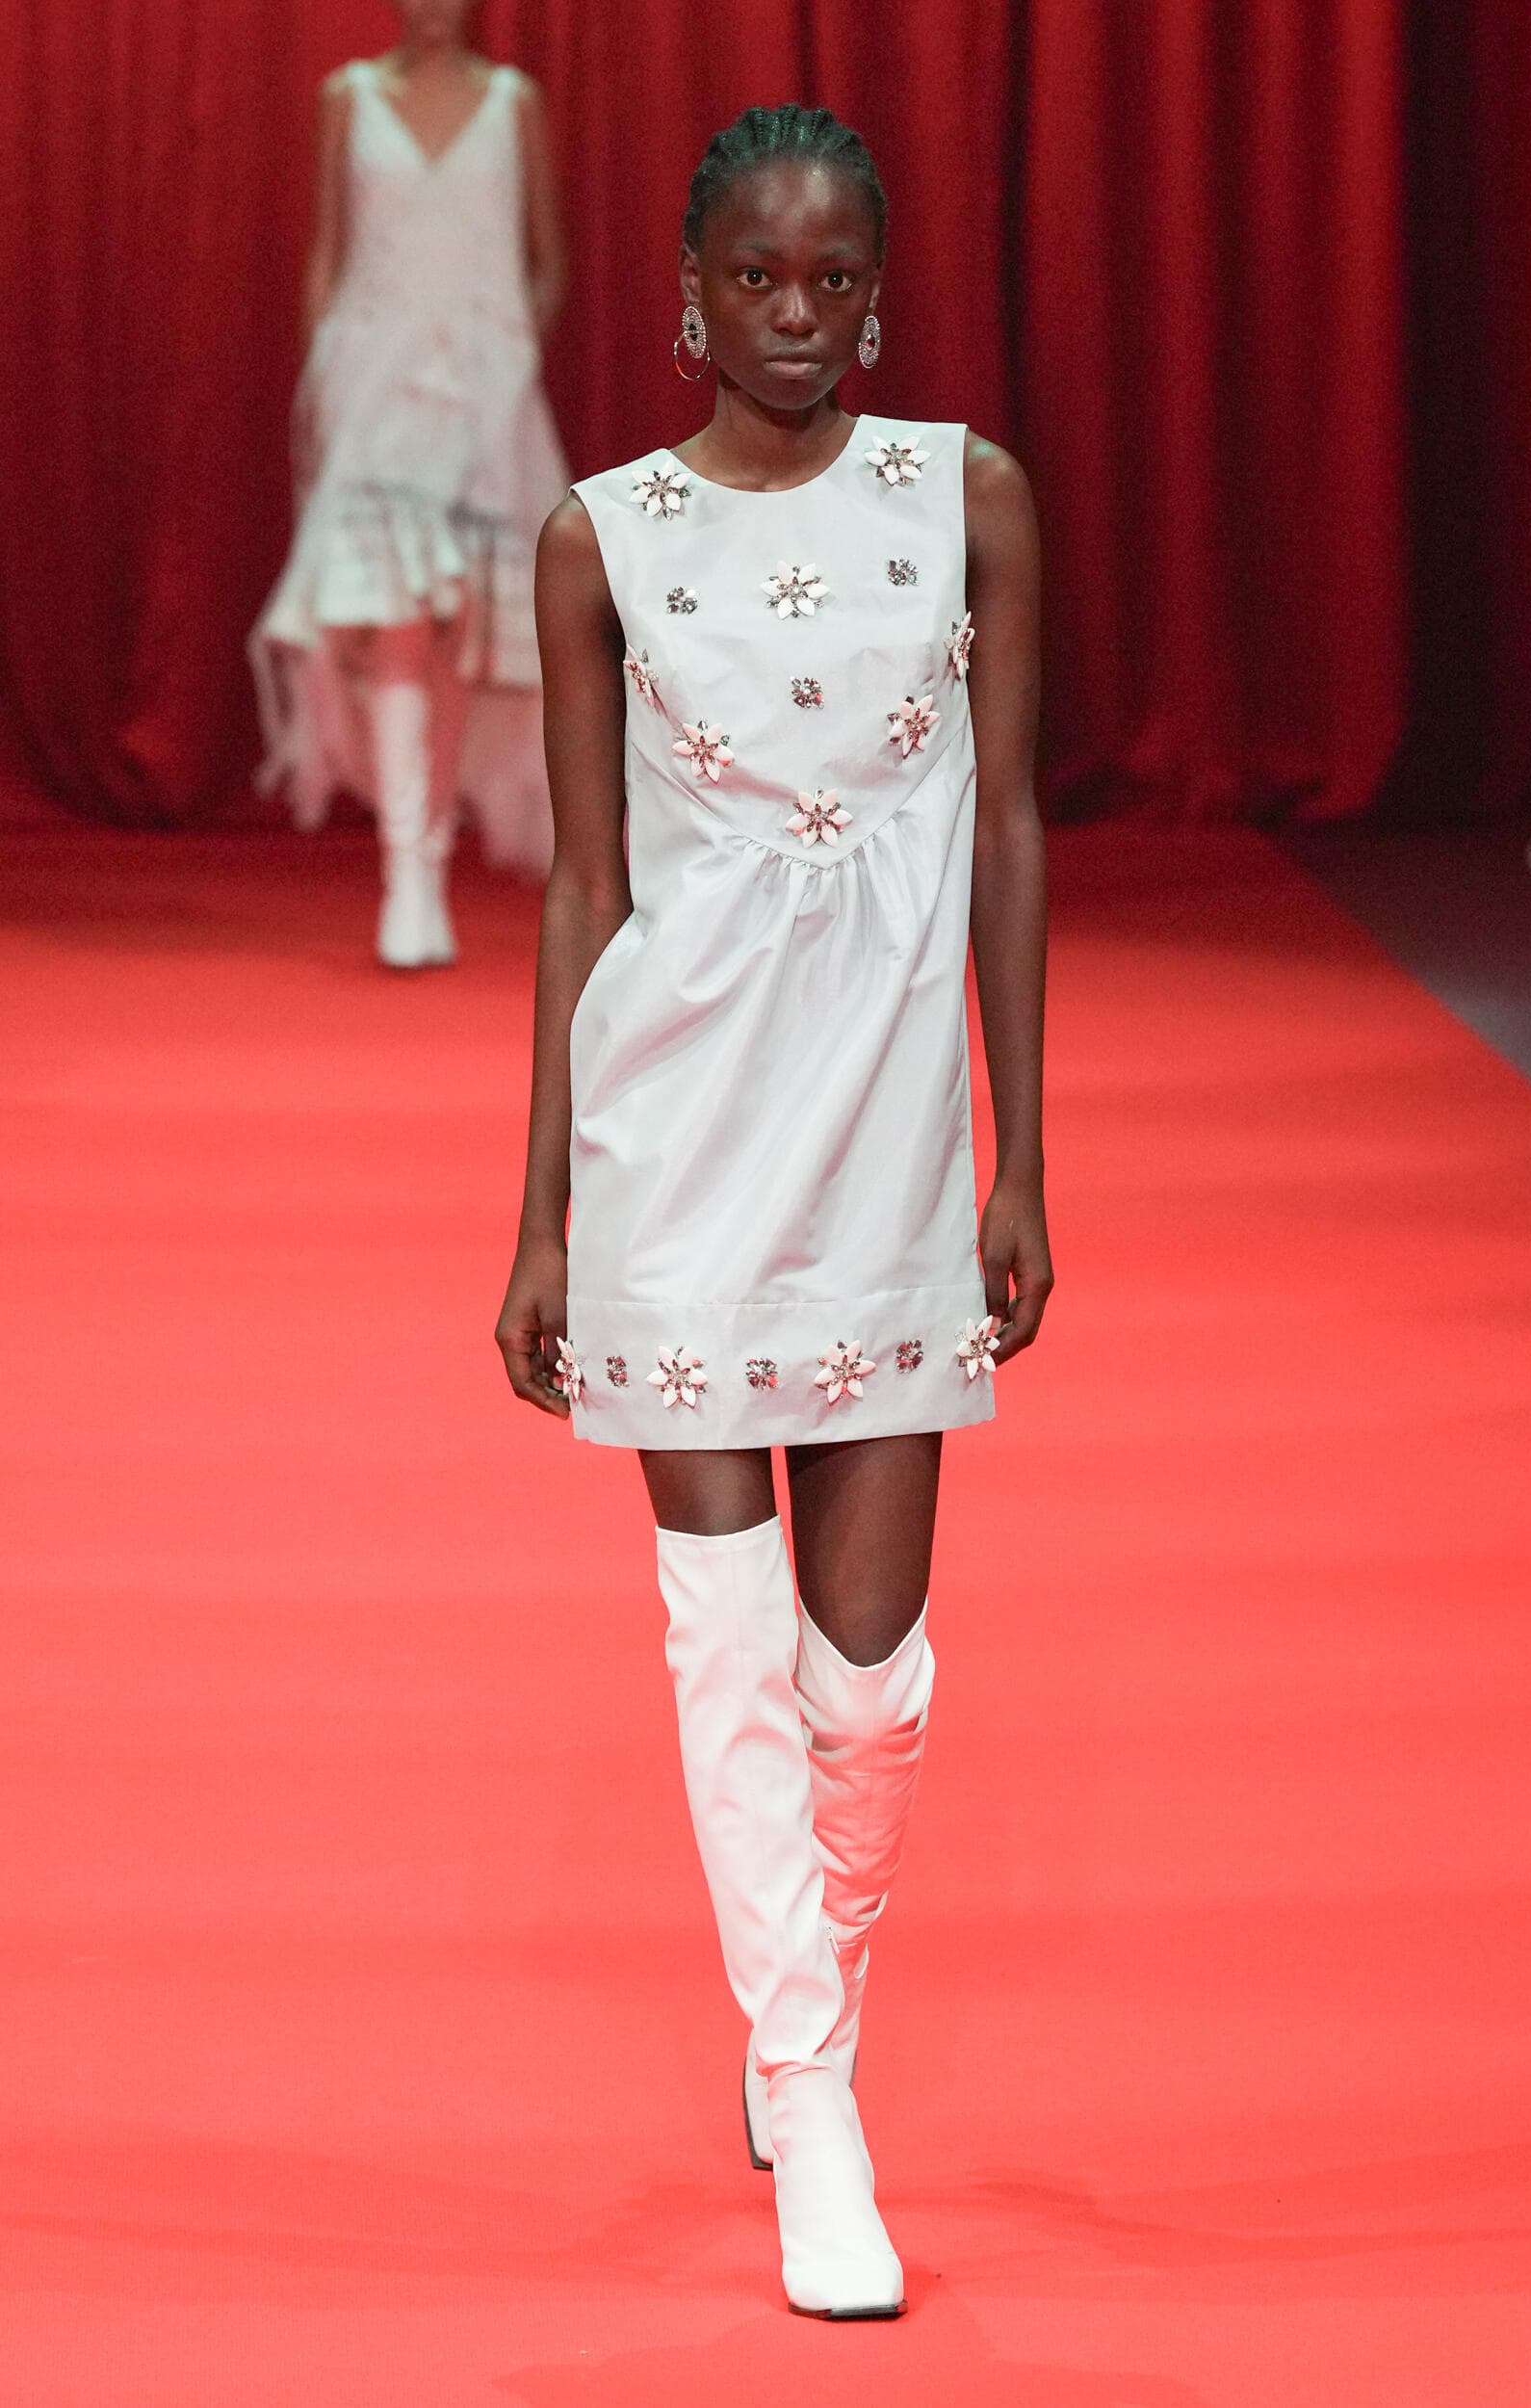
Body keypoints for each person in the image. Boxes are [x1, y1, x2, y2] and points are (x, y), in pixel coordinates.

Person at [495, 103, 1052, 2318]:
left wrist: (1023, 1152)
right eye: (756, 277)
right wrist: (544, 1212)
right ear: (686, 296)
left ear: (877, 298)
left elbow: (1011, 830)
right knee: (721, 1645)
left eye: (831, 279)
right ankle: (810, 2089)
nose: (794, 314)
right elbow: (582, 890)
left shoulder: (965, 499)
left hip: (891, 1140)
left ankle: (815, 1983)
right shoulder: (599, 539)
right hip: (673, 1147)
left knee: (865, 1679)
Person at [250, 1, 569, 969]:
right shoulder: (347, 97)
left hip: (482, 396)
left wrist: (510, 357)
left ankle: (430, 849)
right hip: (374, 393)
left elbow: (547, 261)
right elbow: (326, 254)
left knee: (458, 627)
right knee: (390, 618)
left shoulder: (514, 102)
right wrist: (321, 386)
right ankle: (406, 876)